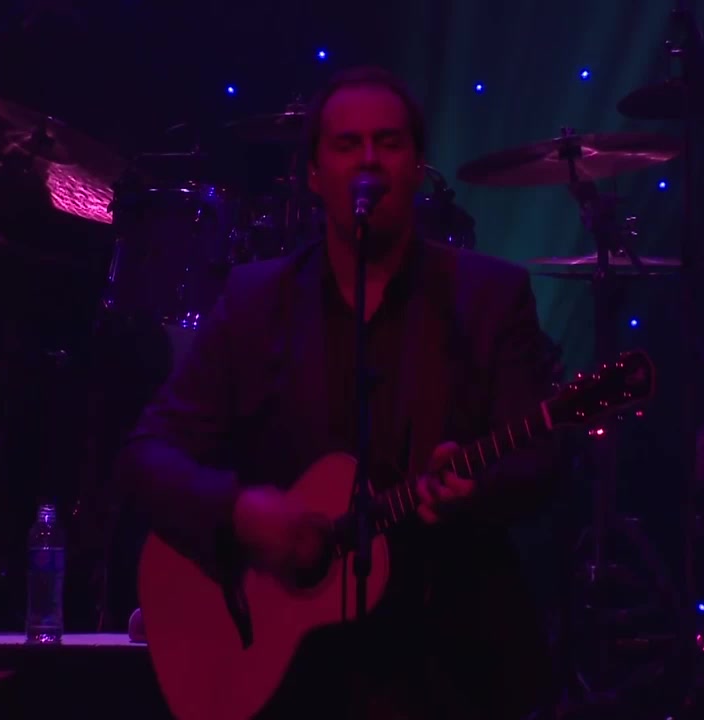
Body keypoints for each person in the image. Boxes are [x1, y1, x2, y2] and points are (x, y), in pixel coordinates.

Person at [118, 66, 568, 719]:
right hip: (293, 676)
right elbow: (149, 454)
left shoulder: (488, 298)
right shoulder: (256, 303)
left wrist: (479, 489)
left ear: (417, 168)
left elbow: (541, 462)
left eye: (389, 143)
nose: (369, 161)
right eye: (346, 144)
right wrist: (238, 512)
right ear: (312, 173)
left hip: (447, 655)